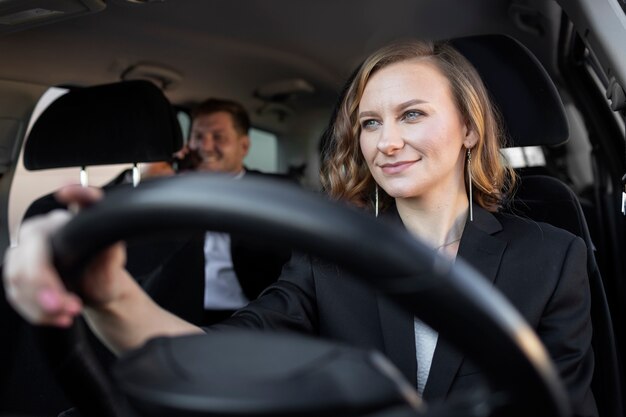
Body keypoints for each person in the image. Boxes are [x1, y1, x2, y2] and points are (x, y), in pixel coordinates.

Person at [2, 40, 596, 416]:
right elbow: (217, 353)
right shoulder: (326, 258)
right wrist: (112, 298)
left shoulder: (554, 257)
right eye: (368, 123)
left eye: (411, 114)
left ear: (470, 128)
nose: (385, 142)